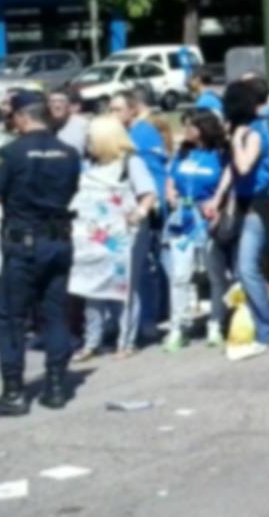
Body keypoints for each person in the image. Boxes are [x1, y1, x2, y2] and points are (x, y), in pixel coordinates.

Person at [0, 92, 81, 418]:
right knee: (54, 312)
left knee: (9, 317)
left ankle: (13, 393)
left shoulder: (11, 152)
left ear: (22, 117)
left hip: (24, 244)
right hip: (59, 242)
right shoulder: (69, 153)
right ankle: (55, 387)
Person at [73, 116, 159, 361]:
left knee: (124, 287)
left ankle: (126, 341)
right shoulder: (89, 166)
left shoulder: (131, 163)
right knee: (92, 286)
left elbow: (148, 194)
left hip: (125, 234)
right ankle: (92, 341)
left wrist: (139, 213)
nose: (87, 140)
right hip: (94, 234)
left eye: (91, 136)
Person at [221, 80, 269, 359]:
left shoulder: (254, 133)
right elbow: (232, 172)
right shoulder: (244, 131)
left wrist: (235, 140)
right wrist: (223, 199)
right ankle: (260, 325)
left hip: (260, 205)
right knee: (243, 269)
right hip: (244, 203)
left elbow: (243, 166)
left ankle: (267, 331)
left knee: (248, 269)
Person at [164, 110, 231, 351]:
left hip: (207, 219)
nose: (186, 131)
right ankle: (177, 326)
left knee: (215, 274)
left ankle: (216, 322)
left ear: (203, 128)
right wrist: (170, 193)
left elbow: (226, 184)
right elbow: (171, 178)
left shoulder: (220, 155)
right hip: (183, 219)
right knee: (180, 275)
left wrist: (217, 204)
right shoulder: (182, 153)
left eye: (190, 126)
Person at [109, 92, 169, 345]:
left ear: (132, 110)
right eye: (110, 109)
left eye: (117, 109)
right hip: (121, 211)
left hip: (146, 209)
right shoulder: (118, 134)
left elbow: (154, 172)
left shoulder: (142, 134)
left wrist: (155, 205)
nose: (112, 114)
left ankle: (148, 319)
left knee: (145, 268)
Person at [48, 89, 89, 154]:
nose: (57, 106)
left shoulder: (83, 125)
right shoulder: (43, 125)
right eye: (52, 102)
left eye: (61, 101)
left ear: (69, 105)